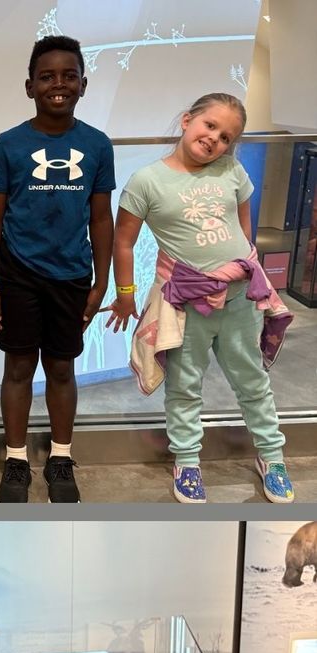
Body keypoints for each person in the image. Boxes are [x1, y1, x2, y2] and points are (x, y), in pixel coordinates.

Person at [108, 92, 294, 504]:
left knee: (252, 381)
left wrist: (241, 275)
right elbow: (123, 242)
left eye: (226, 137)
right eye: (210, 126)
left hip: (240, 301)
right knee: (184, 386)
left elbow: (244, 234)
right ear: (187, 120)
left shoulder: (232, 170)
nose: (215, 139)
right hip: (186, 307)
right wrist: (125, 294)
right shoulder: (146, 181)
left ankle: (272, 456)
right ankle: (187, 461)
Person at [0, 36, 114, 503]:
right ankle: (16, 460)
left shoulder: (97, 145)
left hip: (72, 275)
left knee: (61, 367)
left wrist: (102, 282)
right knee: (18, 365)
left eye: (68, 76)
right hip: (17, 273)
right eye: (47, 77)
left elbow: (101, 218)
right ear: (29, 86)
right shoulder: (9, 144)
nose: (58, 84)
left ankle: (60, 457)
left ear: (83, 84)